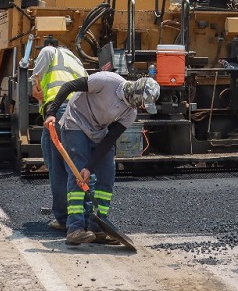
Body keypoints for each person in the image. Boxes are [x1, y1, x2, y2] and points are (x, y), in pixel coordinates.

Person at [44, 72, 160, 246]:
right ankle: (75, 228)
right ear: (136, 93)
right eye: (143, 103)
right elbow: (69, 86)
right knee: (78, 174)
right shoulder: (106, 81)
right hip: (76, 122)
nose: (143, 107)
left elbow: (109, 140)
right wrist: (52, 112)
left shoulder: (130, 113)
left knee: (107, 174)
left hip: (99, 132)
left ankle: (98, 226)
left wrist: (90, 167)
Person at [31, 39, 87, 232]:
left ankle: (64, 219)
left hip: (59, 111)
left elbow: (36, 80)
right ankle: (83, 215)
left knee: (57, 167)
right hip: (80, 113)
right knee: (76, 165)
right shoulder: (77, 62)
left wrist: (34, 86)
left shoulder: (48, 51)